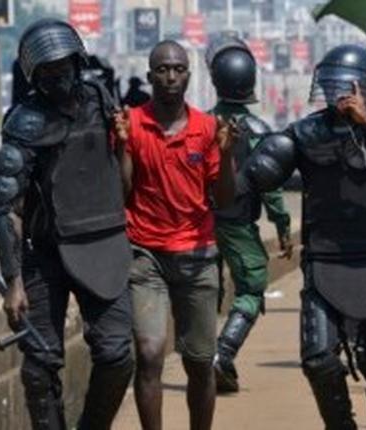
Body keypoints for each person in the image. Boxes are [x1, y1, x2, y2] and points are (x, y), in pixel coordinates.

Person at [242, 45, 366, 429]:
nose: (339, 94)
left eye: (348, 88)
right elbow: (262, 171)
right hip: (325, 262)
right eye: (332, 86)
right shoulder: (307, 132)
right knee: (318, 359)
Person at [0, 18, 133, 430]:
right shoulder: (24, 123)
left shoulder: (101, 98)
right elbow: (8, 208)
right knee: (40, 366)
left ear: (78, 63)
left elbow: (122, 178)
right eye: (48, 73)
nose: (59, 80)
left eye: (65, 68)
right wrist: (13, 280)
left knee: (117, 354)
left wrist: (124, 143)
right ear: (35, 77)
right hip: (46, 253)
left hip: (103, 243)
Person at [115, 40, 236, 430]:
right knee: (149, 354)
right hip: (145, 255)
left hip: (197, 256)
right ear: (150, 76)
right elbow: (123, 192)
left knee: (200, 362)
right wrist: (121, 148)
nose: (170, 77)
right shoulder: (131, 123)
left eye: (178, 69)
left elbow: (224, 197)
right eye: (163, 70)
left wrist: (227, 154)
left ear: (188, 74)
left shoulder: (205, 128)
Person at [204, 36, 292, 393]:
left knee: (204, 293)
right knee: (253, 290)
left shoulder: (201, 126)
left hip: (202, 224)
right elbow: (271, 187)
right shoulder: (259, 132)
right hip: (239, 223)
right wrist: (283, 227)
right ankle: (223, 353)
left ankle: (203, 357)